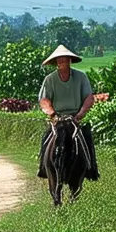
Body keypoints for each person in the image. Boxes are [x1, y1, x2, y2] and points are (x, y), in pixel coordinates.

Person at [37, 45, 99, 180]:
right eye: (59, 60)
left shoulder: (81, 77)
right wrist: (52, 114)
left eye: (64, 60)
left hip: (75, 116)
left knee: (86, 138)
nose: (62, 63)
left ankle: (91, 168)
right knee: (46, 138)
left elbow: (89, 97)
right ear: (56, 63)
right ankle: (43, 168)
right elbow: (44, 100)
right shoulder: (50, 79)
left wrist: (80, 114)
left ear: (70, 61)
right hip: (58, 117)